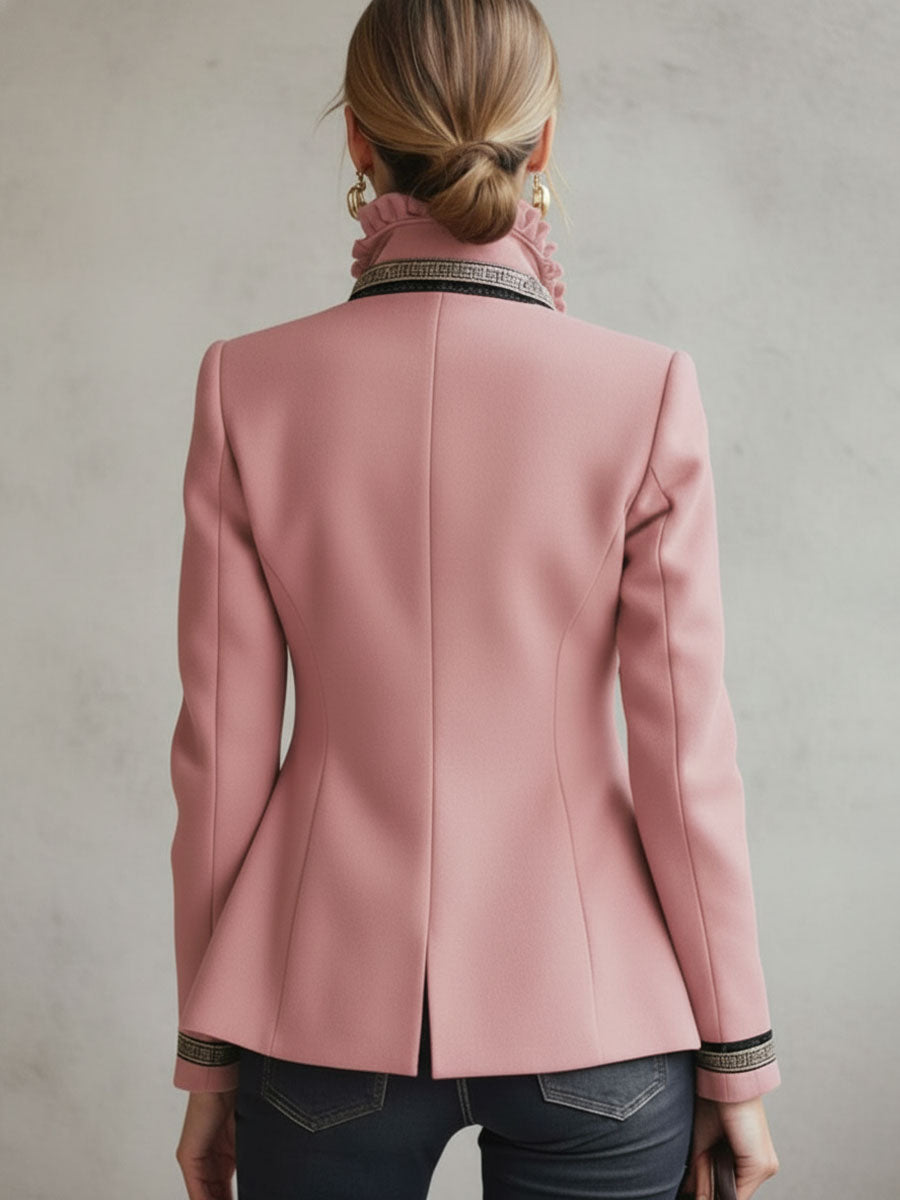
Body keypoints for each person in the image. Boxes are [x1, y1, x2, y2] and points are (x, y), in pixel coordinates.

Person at [169, 2, 781, 1198]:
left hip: (318, 1018)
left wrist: (208, 1058)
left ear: (359, 138)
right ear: (541, 140)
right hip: (596, 1017)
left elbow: (220, 760)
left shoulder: (249, 386)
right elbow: (685, 762)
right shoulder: (645, 391)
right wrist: (738, 1064)